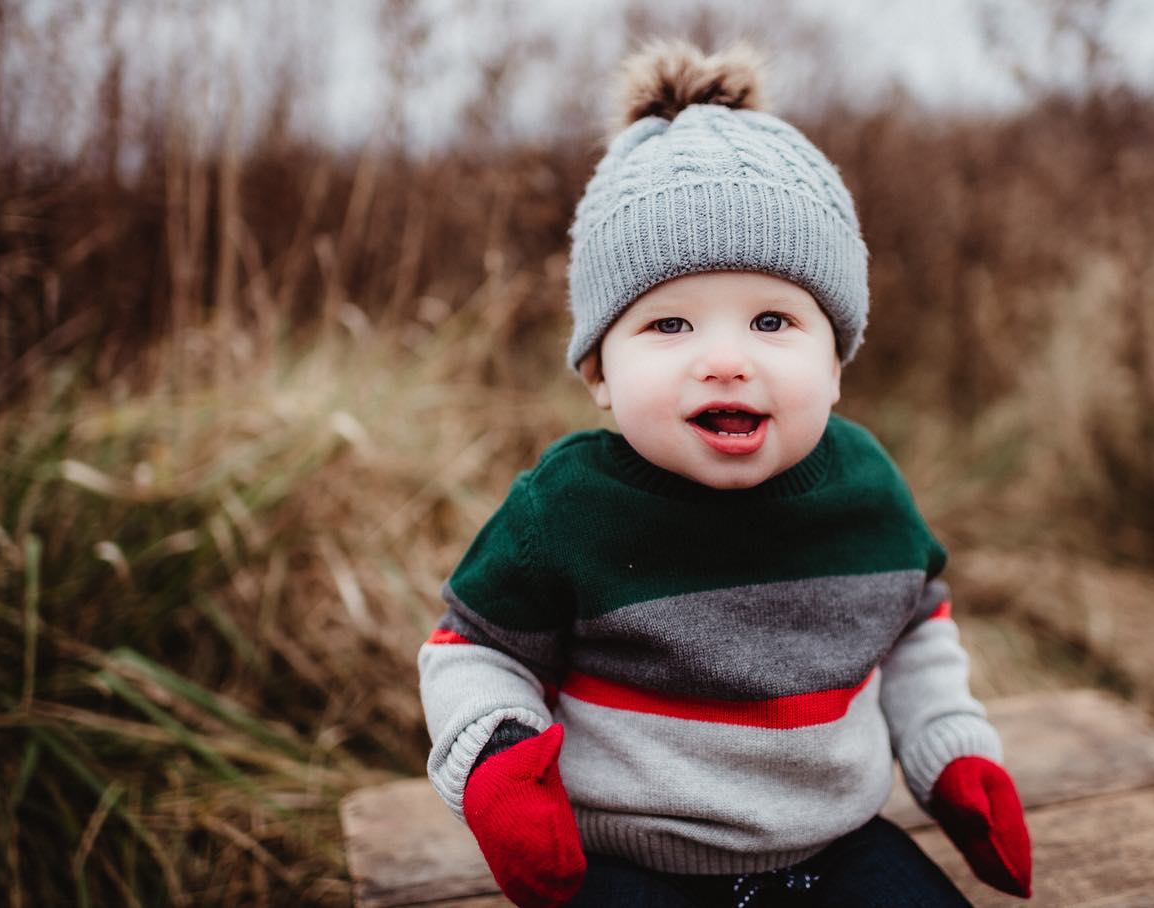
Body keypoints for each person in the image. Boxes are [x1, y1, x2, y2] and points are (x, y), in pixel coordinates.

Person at [419, 40, 1032, 908]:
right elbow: (472, 651)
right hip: (630, 858)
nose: (724, 361)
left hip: (836, 841)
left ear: (836, 365)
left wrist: (952, 749)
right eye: (668, 326)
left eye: (773, 319)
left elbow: (916, 631)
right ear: (599, 373)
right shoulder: (569, 508)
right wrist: (499, 762)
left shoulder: (864, 489)